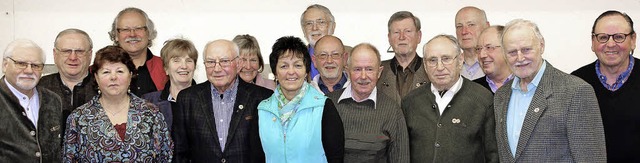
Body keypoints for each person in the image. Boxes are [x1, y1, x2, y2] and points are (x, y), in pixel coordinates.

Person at [494, 19, 606, 162]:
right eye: (512, 52)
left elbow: (592, 158)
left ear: (541, 45)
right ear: (504, 54)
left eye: (526, 49)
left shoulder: (575, 92)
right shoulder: (501, 96)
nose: (520, 58)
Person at [63, 45, 173, 162]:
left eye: (120, 71)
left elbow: (165, 155)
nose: (113, 77)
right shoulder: (79, 118)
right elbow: (69, 158)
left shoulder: (151, 113)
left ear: (130, 75)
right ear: (96, 77)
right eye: (106, 72)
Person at [402, 35, 497, 162]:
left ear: (460, 60)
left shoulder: (483, 99)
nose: (440, 67)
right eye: (432, 60)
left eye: (446, 59)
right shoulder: (410, 102)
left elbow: (493, 155)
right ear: (425, 65)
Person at [173, 39, 272, 162]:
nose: (217, 68)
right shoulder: (187, 99)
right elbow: (179, 152)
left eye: (224, 61)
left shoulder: (262, 98)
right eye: (210, 62)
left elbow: (270, 149)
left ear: (238, 63)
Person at [258, 36, 344, 163]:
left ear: (306, 71)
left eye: (298, 65)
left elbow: (335, 157)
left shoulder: (323, 106)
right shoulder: (263, 109)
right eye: (284, 66)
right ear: (275, 72)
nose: (291, 72)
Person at [571, 10, 638, 162]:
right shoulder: (575, 82)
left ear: (633, 40)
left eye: (619, 37)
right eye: (602, 38)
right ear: (593, 42)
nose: (610, 44)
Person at [326, 43, 409, 162]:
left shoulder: (392, 111)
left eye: (369, 69)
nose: (363, 76)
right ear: (348, 71)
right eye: (357, 69)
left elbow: (401, 159)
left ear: (379, 72)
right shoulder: (328, 104)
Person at [0, 39, 63, 162]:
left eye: (35, 65)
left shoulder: (53, 100)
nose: (29, 70)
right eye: (21, 63)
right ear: (5, 65)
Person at [39, 28, 98, 125]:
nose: (73, 57)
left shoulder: (103, 86)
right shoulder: (40, 87)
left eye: (79, 51)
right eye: (66, 51)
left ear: (90, 55)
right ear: (55, 54)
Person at [109, 7, 167, 96]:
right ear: (116, 35)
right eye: (125, 29)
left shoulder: (167, 68)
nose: (132, 34)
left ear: (149, 33)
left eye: (139, 28)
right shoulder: (99, 71)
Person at [143, 38, 198, 131]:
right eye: (176, 60)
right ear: (166, 68)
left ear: (194, 66)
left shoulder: (207, 100)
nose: (184, 66)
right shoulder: (148, 102)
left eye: (189, 60)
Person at [378, 11, 429, 103]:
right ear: (389, 38)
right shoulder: (377, 71)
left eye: (408, 31)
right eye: (396, 32)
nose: (402, 37)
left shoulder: (431, 69)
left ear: (419, 36)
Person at [301, 4, 352, 79]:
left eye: (321, 22)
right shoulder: (296, 57)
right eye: (309, 23)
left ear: (333, 27)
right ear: (303, 30)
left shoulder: (353, 54)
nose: (314, 28)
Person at [473, 25, 513, 93]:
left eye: (489, 48)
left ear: (506, 49)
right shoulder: (471, 90)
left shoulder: (525, 85)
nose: (482, 55)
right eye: (479, 49)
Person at [455, 6, 490, 80]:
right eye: (459, 26)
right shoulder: (449, 67)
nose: (464, 31)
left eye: (471, 25)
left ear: (487, 27)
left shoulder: (502, 63)